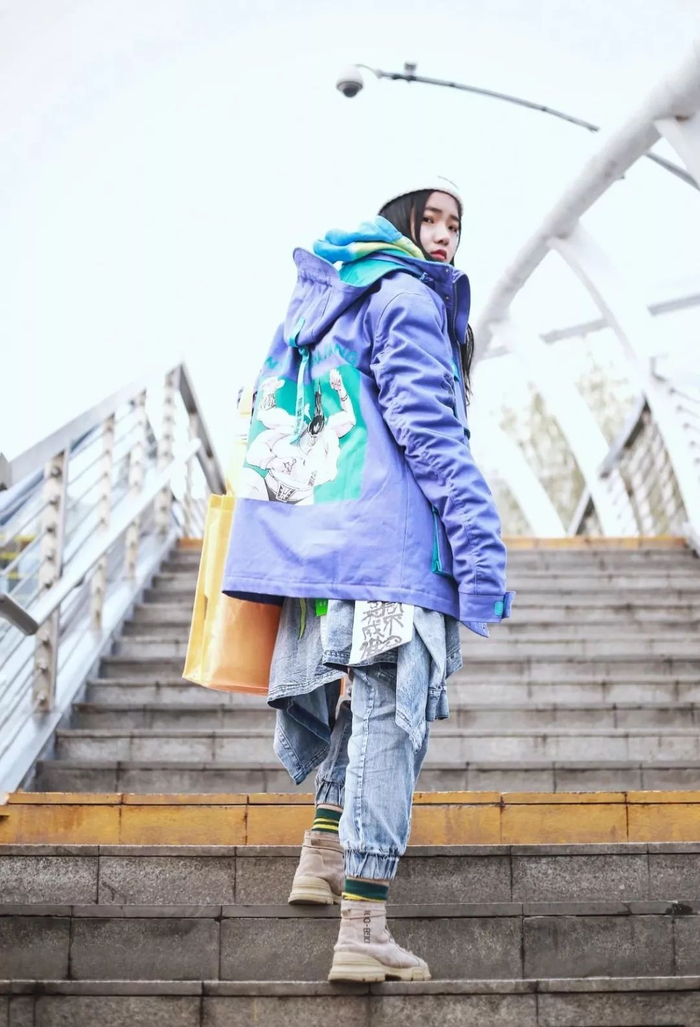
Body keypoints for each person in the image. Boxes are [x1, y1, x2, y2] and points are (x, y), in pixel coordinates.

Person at [222, 175, 514, 982]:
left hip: (325, 552)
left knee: (364, 693)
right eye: (432, 218)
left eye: (456, 223)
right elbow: (427, 427)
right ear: (401, 224)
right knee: (392, 711)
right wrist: (479, 543)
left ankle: (322, 849)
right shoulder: (407, 297)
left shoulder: (329, 299)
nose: (446, 234)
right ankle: (364, 926)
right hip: (389, 556)